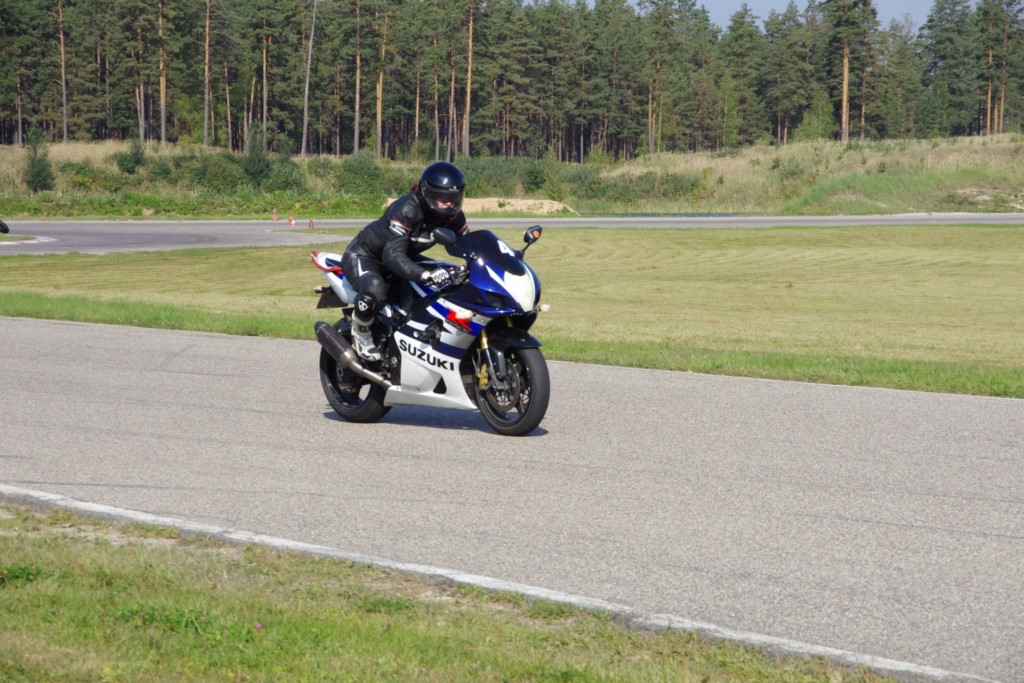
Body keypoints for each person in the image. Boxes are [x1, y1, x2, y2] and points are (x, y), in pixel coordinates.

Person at [341, 161, 469, 361]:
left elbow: (468, 244)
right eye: (444, 198)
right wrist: (424, 274)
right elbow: (391, 254)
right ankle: (361, 332)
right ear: (428, 194)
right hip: (366, 256)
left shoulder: (453, 217)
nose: (450, 204)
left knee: (437, 290)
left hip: (404, 258)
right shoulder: (407, 209)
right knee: (376, 291)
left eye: (454, 198)